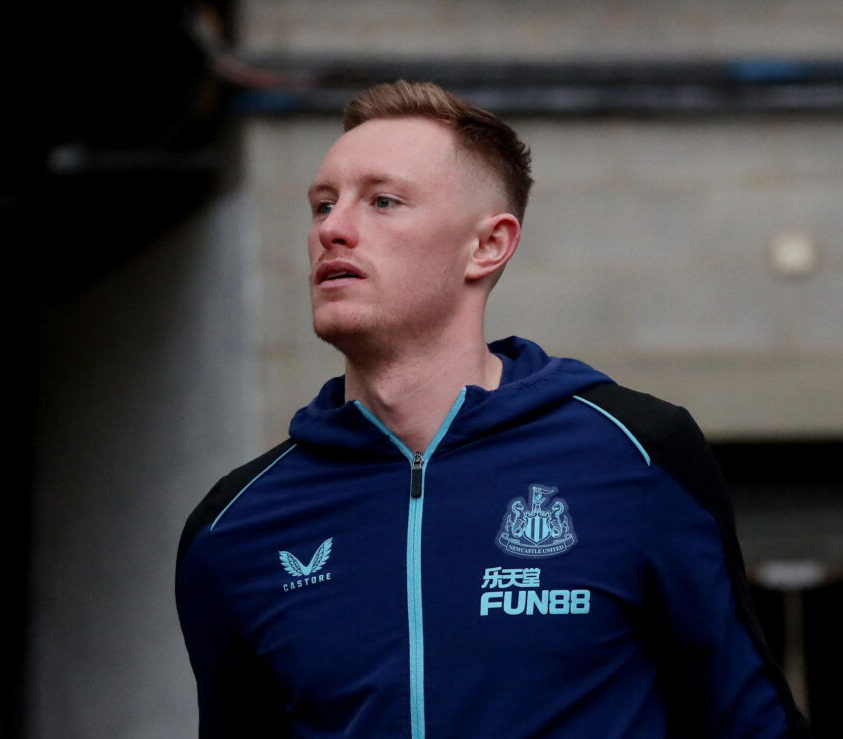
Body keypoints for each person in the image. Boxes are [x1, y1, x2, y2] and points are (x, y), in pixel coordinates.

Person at [176, 80, 810, 738]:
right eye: (322, 204)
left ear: (488, 245)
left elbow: (750, 721)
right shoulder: (236, 527)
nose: (333, 229)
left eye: (382, 201)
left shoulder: (637, 453)